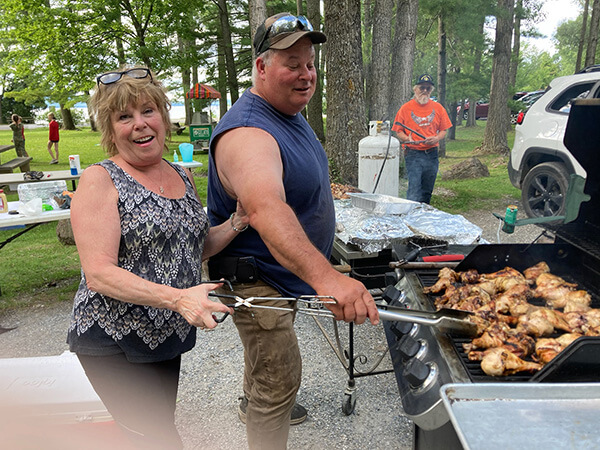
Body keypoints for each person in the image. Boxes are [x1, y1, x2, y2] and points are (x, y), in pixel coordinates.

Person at [206, 13, 380, 450]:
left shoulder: (289, 113)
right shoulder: (248, 131)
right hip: (259, 280)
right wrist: (328, 278)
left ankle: (253, 398)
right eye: (292, 63)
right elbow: (266, 209)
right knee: (279, 380)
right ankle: (263, 409)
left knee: (266, 362)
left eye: (310, 63)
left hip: (280, 275)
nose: (305, 75)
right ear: (262, 67)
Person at [67, 66, 249, 449]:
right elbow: (99, 273)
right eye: (123, 117)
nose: (139, 124)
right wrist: (179, 298)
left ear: (164, 117)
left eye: (147, 111)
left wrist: (237, 221)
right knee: (158, 438)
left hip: (165, 336)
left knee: (153, 428)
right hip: (113, 340)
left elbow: (192, 248)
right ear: (109, 129)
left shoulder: (181, 175)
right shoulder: (101, 179)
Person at [392, 74, 452, 204]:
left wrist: (436, 138)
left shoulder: (438, 108)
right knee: (414, 189)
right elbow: (398, 131)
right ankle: (410, 216)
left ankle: (424, 217)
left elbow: (444, 130)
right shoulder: (405, 108)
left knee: (427, 189)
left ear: (431, 91)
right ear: (415, 89)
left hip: (431, 154)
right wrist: (407, 139)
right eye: (421, 88)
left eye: (428, 88)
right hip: (413, 153)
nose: (424, 91)